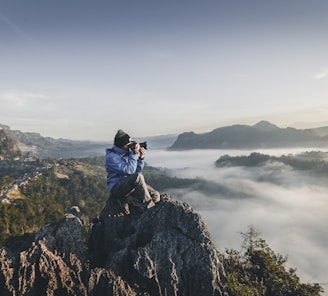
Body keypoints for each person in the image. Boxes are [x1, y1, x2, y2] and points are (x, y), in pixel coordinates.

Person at [105, 129, 160, 214]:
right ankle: (150, 211)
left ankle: (133, 203)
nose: (130, 146)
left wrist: (141, 158)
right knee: (139, 177)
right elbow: (129, 171)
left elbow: (136, 171)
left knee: (155, 195)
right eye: (128, 144)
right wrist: (134, 154)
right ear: (122, 145)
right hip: (117, 187)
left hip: (129, 185)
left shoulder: (126, 153)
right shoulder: (112, 157)